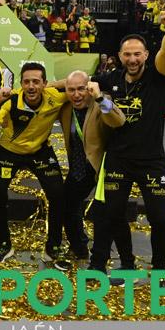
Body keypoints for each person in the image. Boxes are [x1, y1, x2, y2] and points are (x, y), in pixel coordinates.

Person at [89, 11, 165, 282]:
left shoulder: (157, 76)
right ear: (119, 56)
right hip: (118, 160)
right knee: (110, 215)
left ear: (146, 56)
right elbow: (78, 84)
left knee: (159, 220)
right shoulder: (111, 79)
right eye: (127, 54)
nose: (133, 59)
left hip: (151, 161)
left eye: (138, 54)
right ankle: (119, 266)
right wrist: (86, 86)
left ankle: (159, 271)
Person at [0, 62, 70, 270]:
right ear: (21, 83)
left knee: (58, 192)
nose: (31, 87)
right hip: (9, 151)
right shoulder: (11, 101)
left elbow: (79, 83)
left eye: (36, 82)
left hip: (40, 151)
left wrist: (60, 83)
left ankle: (53, 247)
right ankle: (3, 243)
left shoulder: (55, 96)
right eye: (27, 81)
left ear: (45, 84)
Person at [58, 71, 125, 260]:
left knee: (103, 213)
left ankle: (101, 255)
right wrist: (62, 83)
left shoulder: (101, 101)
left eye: (81, 89)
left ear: (90, 88)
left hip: (103, 166)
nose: (76, 94)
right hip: (79, 167)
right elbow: (45, 87)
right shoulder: (64, 107)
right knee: (68, 206)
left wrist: (99, 97)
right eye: (71, 90)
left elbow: (118, 120)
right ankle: (79, 248)